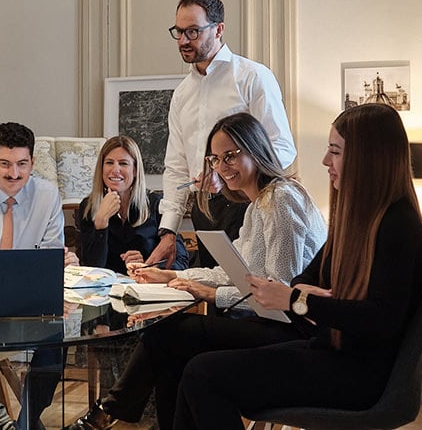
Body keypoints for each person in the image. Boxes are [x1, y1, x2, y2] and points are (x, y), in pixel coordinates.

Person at [174, 103, 422, 429]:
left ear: (369, 157)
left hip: (359, 374)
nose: (325, 161)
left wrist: (299, 300)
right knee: (197, 371)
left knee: (202, 374)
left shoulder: (397, 225)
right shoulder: (360, 221)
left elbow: (380, 319)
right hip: (333, 351)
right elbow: (306, 276)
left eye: (335, 151)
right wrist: (304, 295)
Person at [72, 112, 325, 429]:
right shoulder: (258, 205)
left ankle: (110, 409)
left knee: (167, 335)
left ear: (255, 149)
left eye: (230, 155)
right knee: (172, 355)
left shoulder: (281, 199)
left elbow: (279, 293)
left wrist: (211, 294)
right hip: (270, 323)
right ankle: (114, 409)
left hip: (293, 330)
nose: (222, 167)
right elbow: (230, 272)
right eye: (215, 159)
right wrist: (173, 276)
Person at [146, 0, 297, 270]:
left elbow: (282, 148)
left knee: (249, 291)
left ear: (218, 29)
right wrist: (169, 231)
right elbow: (176, 167)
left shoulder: (253, 77)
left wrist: (227, 174)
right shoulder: (181, 94)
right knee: (213, 291)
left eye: (193, 31)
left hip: (248, 204)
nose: (183, 41)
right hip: (204, 209)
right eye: (178, 32)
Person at [0, 122, 79, 430]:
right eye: (5, 164)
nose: (14, 173)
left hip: (30, 304)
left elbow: (51, 256)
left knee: (57, 338)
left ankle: (26, 421)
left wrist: (59, 262)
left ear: (32, 162)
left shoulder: (47, 195)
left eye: (22, 164)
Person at [75, 135, 188, 274]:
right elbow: (90, 268)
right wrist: (101, 222)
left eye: (123, 163)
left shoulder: (156, 204)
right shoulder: (88, 207)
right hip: (107, 286)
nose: (115, 169)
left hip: (146, 285)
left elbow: (181, 262)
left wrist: (147, 265)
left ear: (135, 170)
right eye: (109, 163)